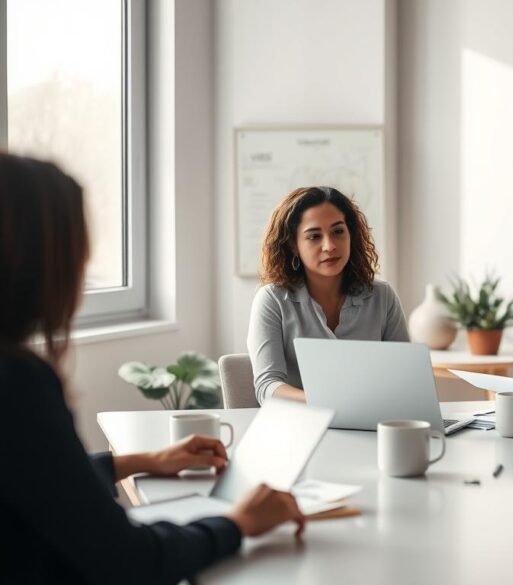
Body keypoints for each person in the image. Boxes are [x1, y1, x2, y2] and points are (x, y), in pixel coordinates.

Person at [0, 154, 305, 584]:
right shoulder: (17, 383)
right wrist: (238, 523)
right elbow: (130, 560)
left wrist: (138, 461)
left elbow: (41, 481)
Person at [248, 186, 409, 403]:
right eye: (314, 236)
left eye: (338, 231)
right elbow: (267, 386)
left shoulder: (382, 296)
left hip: (371, 426)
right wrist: (328, 401)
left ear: (351, 234)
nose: (329, 246)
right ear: (293, 245)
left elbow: (406, 378)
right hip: (301, 427)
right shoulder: (272, 299)